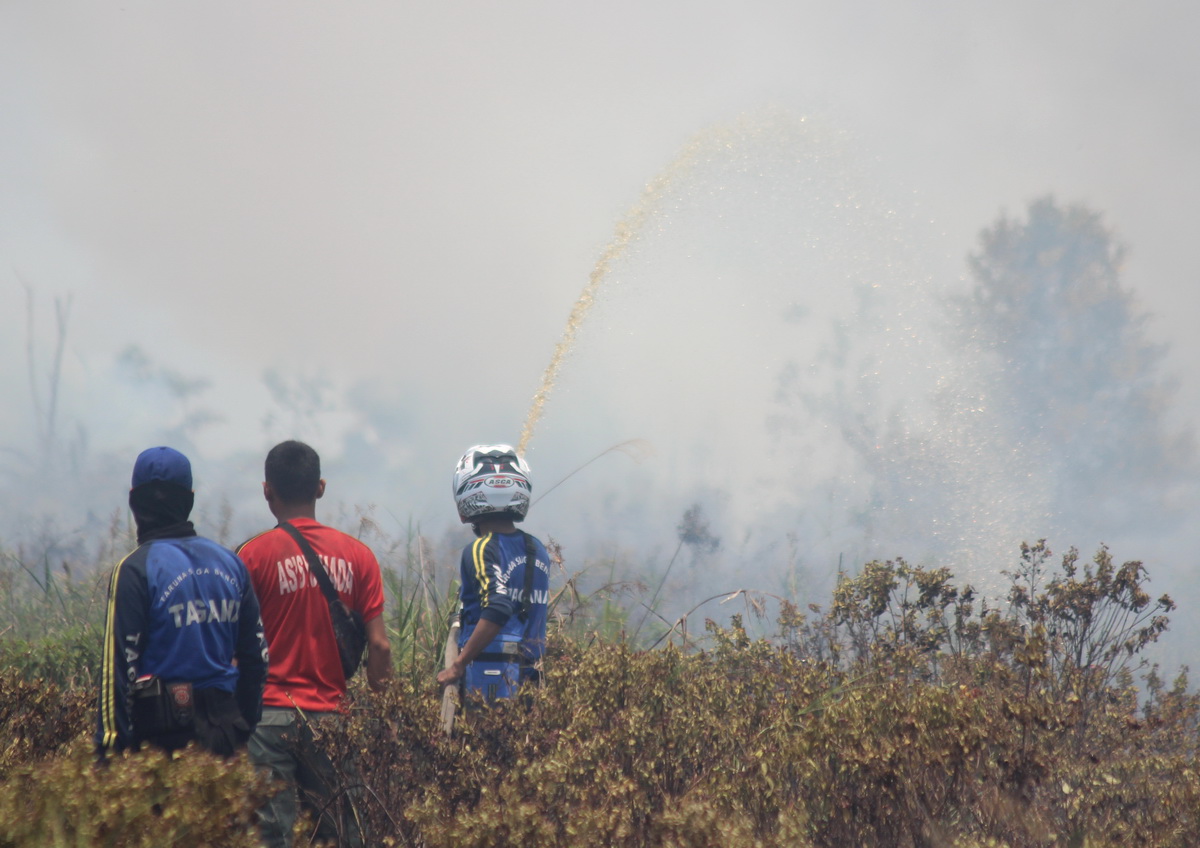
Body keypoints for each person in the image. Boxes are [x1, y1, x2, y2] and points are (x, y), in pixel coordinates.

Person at [236, 440, 391, 848]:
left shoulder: (250, 557)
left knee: (271, 837)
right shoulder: (359, 557)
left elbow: (232, 650)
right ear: (320, 488)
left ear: (267, 490)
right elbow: (380, 648)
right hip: (332, 720)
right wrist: (387, 715)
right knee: (342, 835)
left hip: (266, 722)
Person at [96, 446, 268, 758]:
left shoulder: (134, 570)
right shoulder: (230, 564)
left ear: (134, 502)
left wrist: (109, 752)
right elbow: (256, 659)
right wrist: (244, 725)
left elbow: (119, 672)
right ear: (188, 500)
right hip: (226, 739)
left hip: (159, 747)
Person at [437, 444, 550, 702]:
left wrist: (458, 665)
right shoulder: (537, 549)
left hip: (490, 678)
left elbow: (498, 607)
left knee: (482, 742)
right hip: (533, 679)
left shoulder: (481, 549)